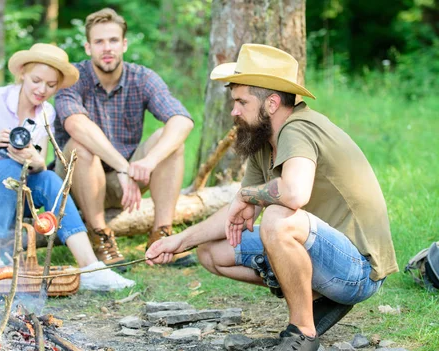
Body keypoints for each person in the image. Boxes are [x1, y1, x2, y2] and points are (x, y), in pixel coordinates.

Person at [146, 44, 398, 351]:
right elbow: (236, 210)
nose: (233, 111)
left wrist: (248, 195)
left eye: (241, 102)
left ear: (272, 103)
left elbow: (294, 192)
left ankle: (303, 333)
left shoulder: (298, 128)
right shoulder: (263, 142)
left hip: (358, 270)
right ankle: (315, 297)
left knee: (278, 219)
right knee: (212, 251)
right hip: (322, 252)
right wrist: (179, 241)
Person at [0, 43, 135, 291]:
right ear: (22, 72)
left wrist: (32, 158)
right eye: (36, 80)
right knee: (7, 166)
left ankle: (90, 267)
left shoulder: (46, 112)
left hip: (7, 193)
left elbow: (40, 164)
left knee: (52, 180)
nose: (42, 90)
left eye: (51, 85)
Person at [54, 8, 195, 267]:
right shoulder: (72, 78)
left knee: (171, 140)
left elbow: (182, 120)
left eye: (113, 40)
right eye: (99, 42)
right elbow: (75, 124)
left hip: (126, 181)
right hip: (76, 182)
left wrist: (148, 163)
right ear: (88, 47)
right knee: (79, 146)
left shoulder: (142, 77)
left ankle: (161, 237)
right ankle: (100, 236)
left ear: (124, 44)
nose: (107, 48)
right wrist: (122, 165)